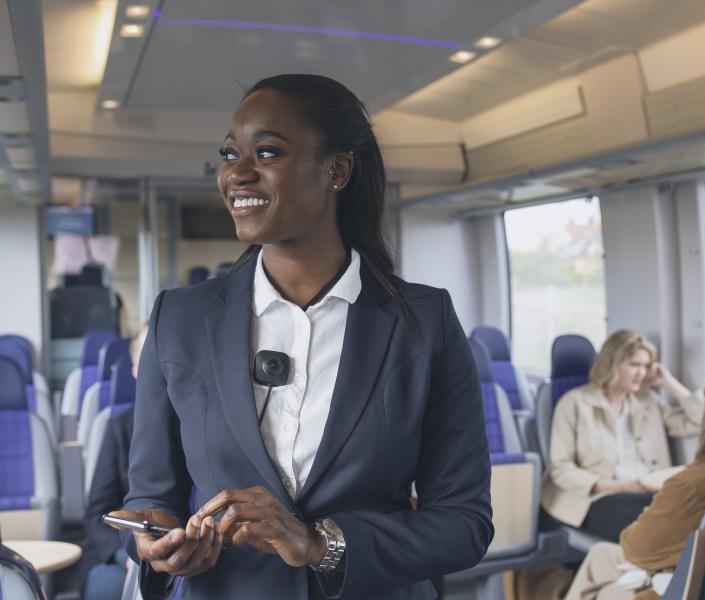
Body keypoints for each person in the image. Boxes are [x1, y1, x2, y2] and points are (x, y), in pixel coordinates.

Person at [109, 74, 493, 599]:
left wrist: (319, 545)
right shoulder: (179, 319)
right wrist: (156, 545)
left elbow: (464, 523)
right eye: (229, 153)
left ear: (336, 170)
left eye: (266, 153)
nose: (236, 174)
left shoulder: (422, 321)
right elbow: (152, 496)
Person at [564, 352, 705, 600]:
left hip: (685, 588)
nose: (641, 372)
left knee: (600, 591)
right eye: (634, 364)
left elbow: (635, 547)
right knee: (600, 554)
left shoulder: (691, 484)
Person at [541, 329, 704, 541]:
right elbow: (561, 469)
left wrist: (668, 382)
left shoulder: (648, 401)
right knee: (662, 516)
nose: (642, 373)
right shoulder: (574, 403)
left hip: (648, 490)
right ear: (612, 363)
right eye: (634, 365)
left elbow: (701, 421)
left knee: (697, 505)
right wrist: (622, 486)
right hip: (598, 496)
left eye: (646, 366)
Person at [83, 323, 147, 600]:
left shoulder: (204, 426)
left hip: (196, 548)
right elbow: (98, 513)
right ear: (134, 372)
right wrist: (127, 554)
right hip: (126, 551)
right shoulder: (118, 429)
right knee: (104, 587)